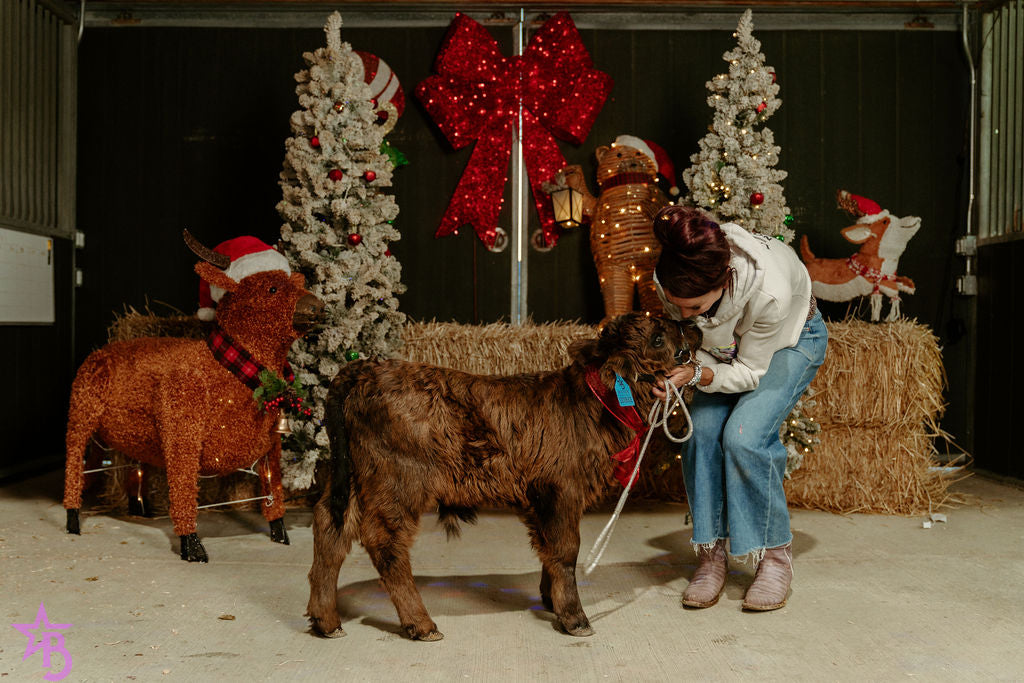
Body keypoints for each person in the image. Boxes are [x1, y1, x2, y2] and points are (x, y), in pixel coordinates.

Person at [650, 205, 827, 611]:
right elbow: (699, 343)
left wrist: (696, 375)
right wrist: (677, 372)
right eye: (677, 304)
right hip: (724, 350)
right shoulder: (673, 279)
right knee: (702, 434)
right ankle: (711, 554)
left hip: (790, 339)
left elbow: (748, 371)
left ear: (725, 281)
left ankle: (774, 557)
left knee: (745, 437)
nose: (684, 315)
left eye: (694, 308)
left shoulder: (770, 294)